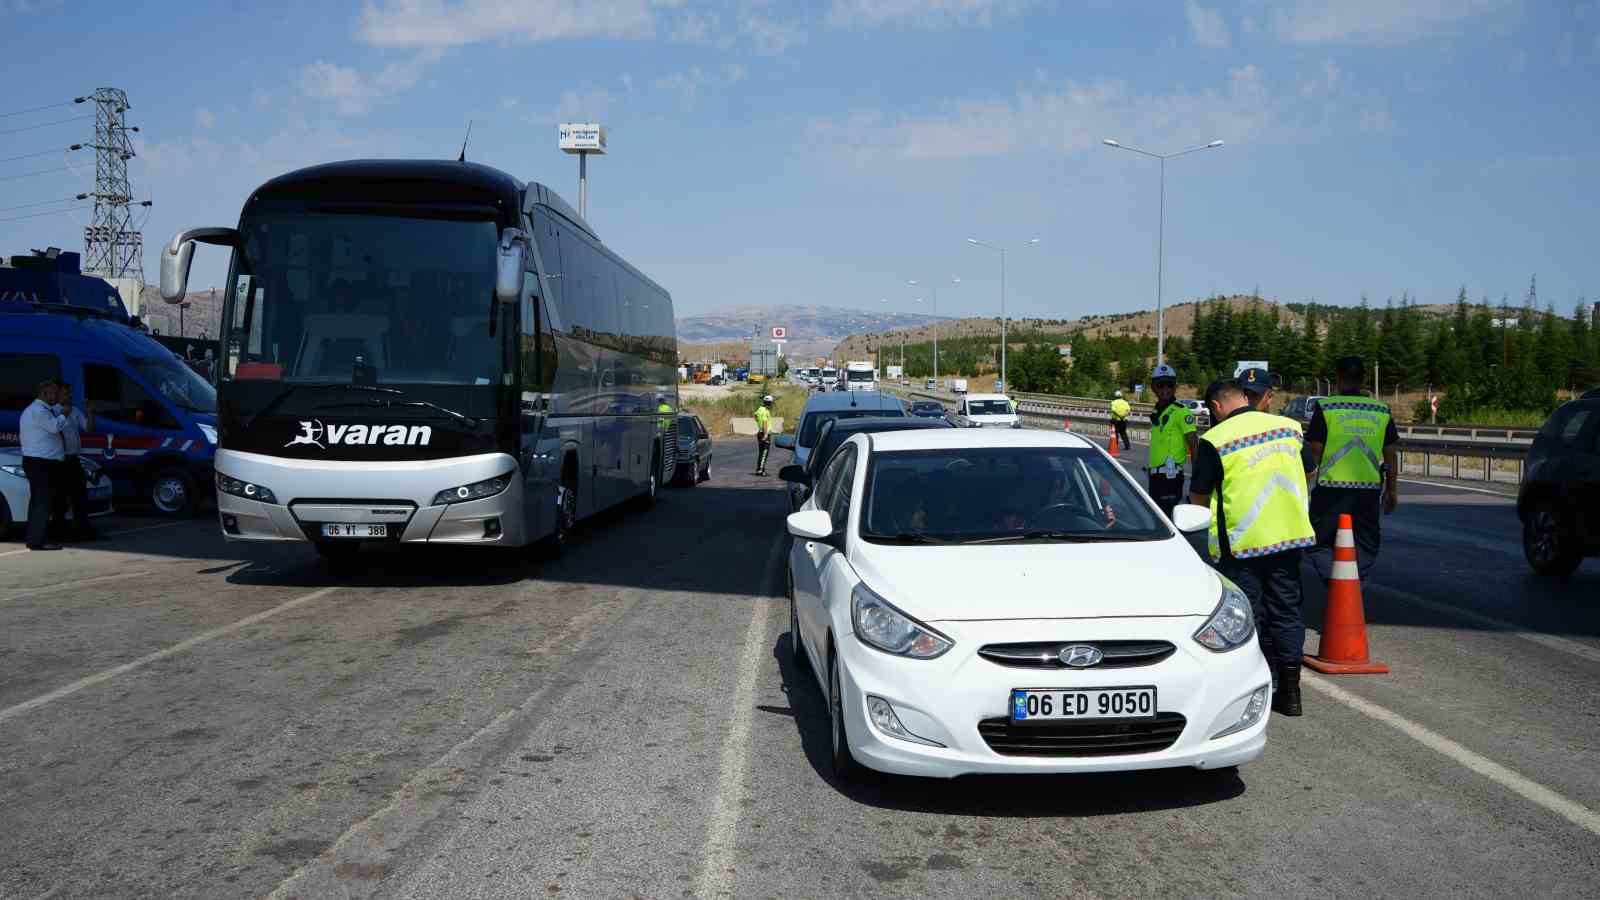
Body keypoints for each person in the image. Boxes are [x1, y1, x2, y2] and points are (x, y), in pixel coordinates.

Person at [1190, 369, 1317, 717]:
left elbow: (1198, 497)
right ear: (1245, 398)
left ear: (1217, 406)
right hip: (1289, 538)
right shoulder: (1289, 428)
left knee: (1249, 618)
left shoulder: (1215, 440)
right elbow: (1309, 471)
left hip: (1241, 545)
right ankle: (1291, 695)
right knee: (1288, 613)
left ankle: (1257, 691)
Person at [1305, 356, 1399, 581]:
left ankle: (1337, 583)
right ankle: (1353, 582)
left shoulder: (1327, 407)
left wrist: (1304, 485)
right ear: (1364, 378)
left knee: (1319, 542)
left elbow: (1314, 451)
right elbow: (1391, 454)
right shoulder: (1381, 410)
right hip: (1367, 490)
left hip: (1330, 489)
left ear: (1337, 378)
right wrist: (1392, 490)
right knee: (1366, 543)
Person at [19, 379, 68, 551]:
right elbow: (55, 427)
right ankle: (37, 541)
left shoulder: (41, 409)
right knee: (42, 503)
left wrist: (61, 407)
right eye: (54, 393)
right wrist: (64, 414)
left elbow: (54, 411)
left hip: (40, 463)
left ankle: (36, 537)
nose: (56, 396)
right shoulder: (39, 411)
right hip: (41, 464)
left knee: (39, 502)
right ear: (44, 393)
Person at [1145, 364, 1198, 518]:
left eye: (1170, 385)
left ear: (1175, 387)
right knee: (1157, 520)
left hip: (1171, 476)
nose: (1165, 389)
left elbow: (1194, 444)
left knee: (1167, 521)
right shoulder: (1158, 411)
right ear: (1153, 387)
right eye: (1160, 385)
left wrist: (1196, 479)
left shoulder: (1181, 411)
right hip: (1155, 477)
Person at [53, 383, 100, 540]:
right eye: (66, 393)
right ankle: (61, 531)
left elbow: (89, 429)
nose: (69, 396)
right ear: (58, 395)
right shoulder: (53, 412)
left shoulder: (75, 411)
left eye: (70, 393)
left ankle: (83, 529)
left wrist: (90, 412)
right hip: (60, 460)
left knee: (80, 494)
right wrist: (63, 415)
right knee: (61, 498)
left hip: (74, 458)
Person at [754, 394, 774, 476]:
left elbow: (755, 416)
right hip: (764, 433)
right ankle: (760, 470)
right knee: (765, 453)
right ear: (769, 403)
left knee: (761, 452)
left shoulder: (759, 409)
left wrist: (759, 424)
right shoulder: (765, 411)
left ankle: (759, 468)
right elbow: (765, 422)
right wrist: (765, 434)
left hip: (760, 432)